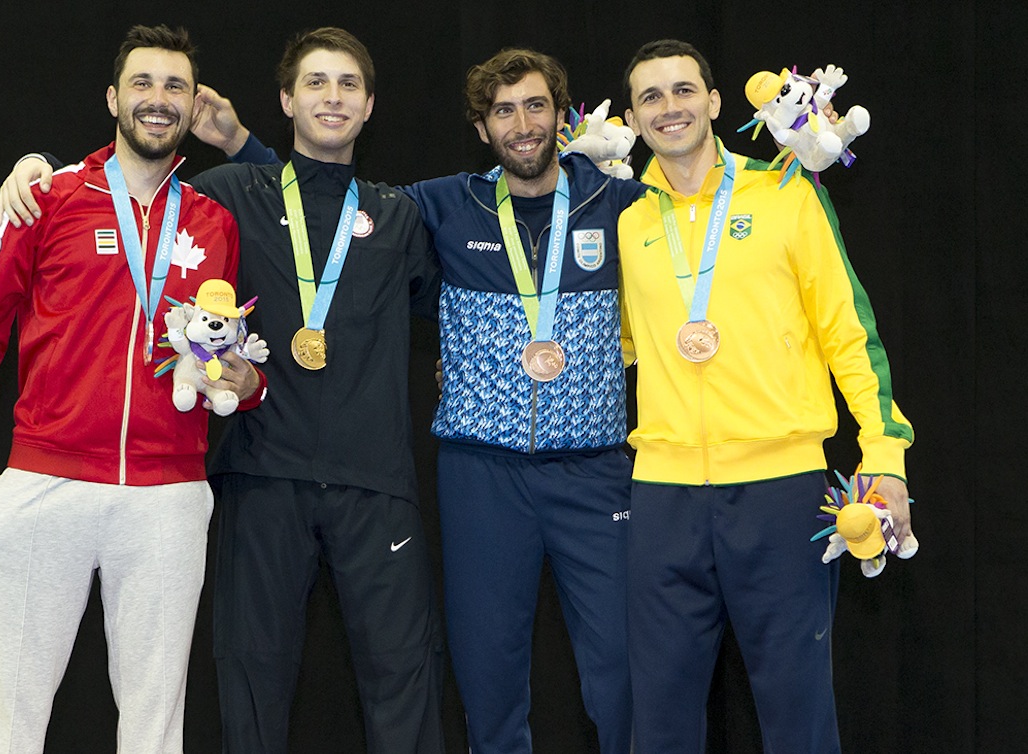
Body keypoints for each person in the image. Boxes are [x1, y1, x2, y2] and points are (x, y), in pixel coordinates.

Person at [0, 27, 445, 754]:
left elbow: (455, 294)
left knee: (402, 680)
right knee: (251, 685)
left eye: (348, 85)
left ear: (370, 107)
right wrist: (37, 166)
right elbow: (133, 185)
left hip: (376, 484)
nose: (332, 97)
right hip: (262, 476)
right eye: (316, 83)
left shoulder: (399, 215)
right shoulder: (231, 194)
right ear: (286, 99)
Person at [196, 48, 643, 754]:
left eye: (535, 106)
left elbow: (703, 223)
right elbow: (314, 198)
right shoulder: (439, 203)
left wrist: (802, 170)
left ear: (563, 116)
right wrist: (235, 144)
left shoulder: (619, 204)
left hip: (594, 471)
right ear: (480, 125)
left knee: (624, 675)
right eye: (503, 110)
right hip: (480, 474)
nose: (521, 123)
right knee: (486, 680)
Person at [0, 24, 262, 754]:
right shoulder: (48, 198)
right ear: (114, 98)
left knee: (155, 727)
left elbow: (224, 349)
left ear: (190, 105)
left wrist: (248, 382)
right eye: (142, 84)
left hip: (167, 498)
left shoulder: (214, 221)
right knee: (11, 724)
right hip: (45, 485)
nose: (157, 100)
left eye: (174, 86)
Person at [616, 39, 915, 753]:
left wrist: (885, 454)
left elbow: (850, 335)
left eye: (684, 90)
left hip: (781, 490)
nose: (669, 108)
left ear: (716, 103)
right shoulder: (628, 222)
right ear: (630, 118)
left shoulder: (786, 193)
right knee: (656, 719)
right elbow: (624, 348)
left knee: (796, 710)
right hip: (663, 496)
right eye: (650, 97)